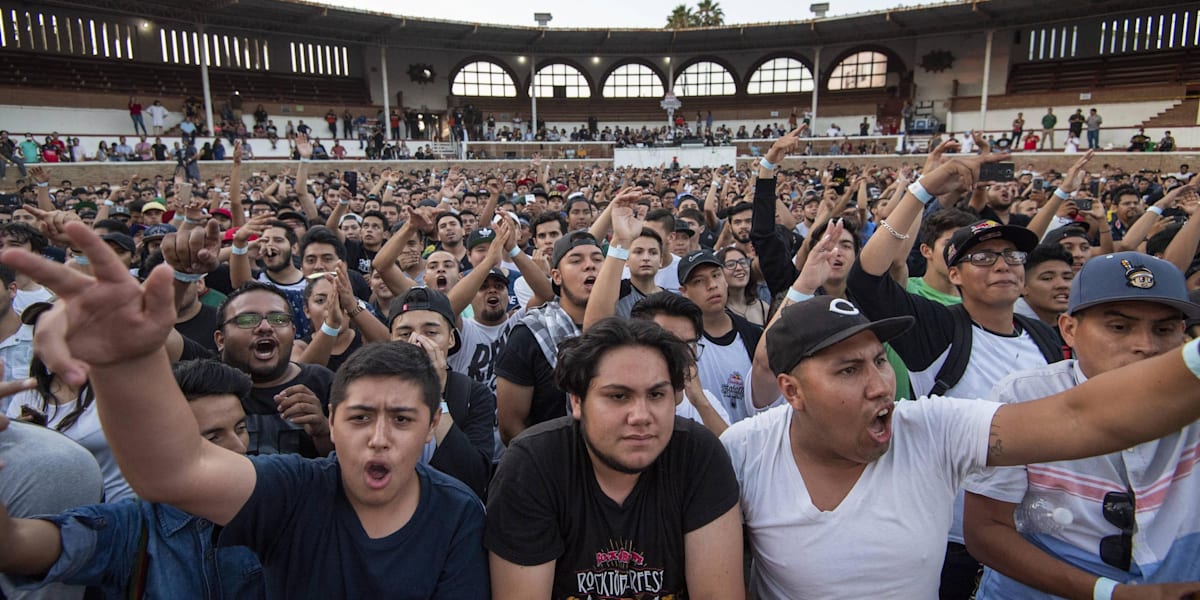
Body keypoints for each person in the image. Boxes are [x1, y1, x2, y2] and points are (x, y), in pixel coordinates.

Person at [0, 223, 490, 598]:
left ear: (430, 427)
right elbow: (171, 475)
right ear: (331, 424)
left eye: (402, 419)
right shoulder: (293, 489)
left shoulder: (458, 512)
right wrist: (128, 362)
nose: (379, 437)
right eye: (360, 417)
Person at [721, 290, 1200, 599]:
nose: (880, 386)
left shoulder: (932, 430)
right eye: (848, 370)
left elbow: (1079, 419)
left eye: (879, 362)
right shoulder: (744, 452)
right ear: (791, 391)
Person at [965, 252, 1200, 599]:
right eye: (1119, 327)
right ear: (1070, 329)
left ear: (1183, 335)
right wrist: (1110, 593)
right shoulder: (1023, 396)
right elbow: (986, 530)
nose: (1145, 346)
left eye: (1163, 329)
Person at [486, 318, 743, 599]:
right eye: (619, 396)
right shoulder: (532, 466)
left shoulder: (699, 457)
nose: (641, 416)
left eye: (657, 394)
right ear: (576, 401)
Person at [0, 360, 265, 599]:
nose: (239, 448)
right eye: (213, 437)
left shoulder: (278, 504)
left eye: (240, 429)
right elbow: (13, 546)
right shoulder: (130, 530)